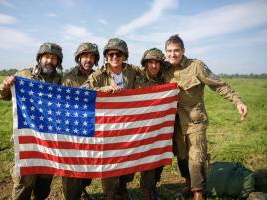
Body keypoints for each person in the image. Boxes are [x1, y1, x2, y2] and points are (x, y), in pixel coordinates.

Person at [163, 34, 248, 200]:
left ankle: (198, 192)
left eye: (176, 50)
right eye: (169, 51)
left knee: (197, 157)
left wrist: (237, 101)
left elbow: (218, 85)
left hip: (195, 121)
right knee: (181, 156)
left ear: (183, 51)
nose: (173, 54)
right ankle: (188, 183)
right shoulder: (164, 69)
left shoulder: (196, 66)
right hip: (176, 123)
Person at [0, 42, 63, 200]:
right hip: (27, 135)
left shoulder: (60, 80)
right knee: (26, 178)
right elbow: (1, 94)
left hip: (50, 137)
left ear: (58, 62)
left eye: (54, 58)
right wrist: (6, 85)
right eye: (46, 56)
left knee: (45, 178)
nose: (50, 61)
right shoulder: (24, 75)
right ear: (40, 58)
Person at [88, 38, 143, 200]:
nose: (114, 57)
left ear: (124, 56)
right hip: (107, 126)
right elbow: (85, 92)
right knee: (109, 161)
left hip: (128, 124)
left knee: (129, 160)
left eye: (118, 54)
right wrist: (104, 90)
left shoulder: (132, 71)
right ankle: (109, 194)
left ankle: (123, 186)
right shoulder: (97, 75)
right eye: (111, 54)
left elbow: (151, 70)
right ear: (106, 56)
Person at [61, 42, 100, 200]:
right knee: (71, 169)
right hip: (72, 129)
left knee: (87, 166)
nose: (88, 59)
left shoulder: (99, 76)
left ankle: (82, 191)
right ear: (79, 58)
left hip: (91, 128)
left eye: (91, 56)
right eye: (85, 56)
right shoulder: (69, 78)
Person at [134, 48, 166, 200]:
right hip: (142, 125)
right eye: (150, 62)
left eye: (157, 63)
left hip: (160, 125)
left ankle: (151, 186)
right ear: (145, 64)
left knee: (160, 157)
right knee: (148, 157)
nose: (154, 66)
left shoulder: (165, 79)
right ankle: (147, 190)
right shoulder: (137, 78)